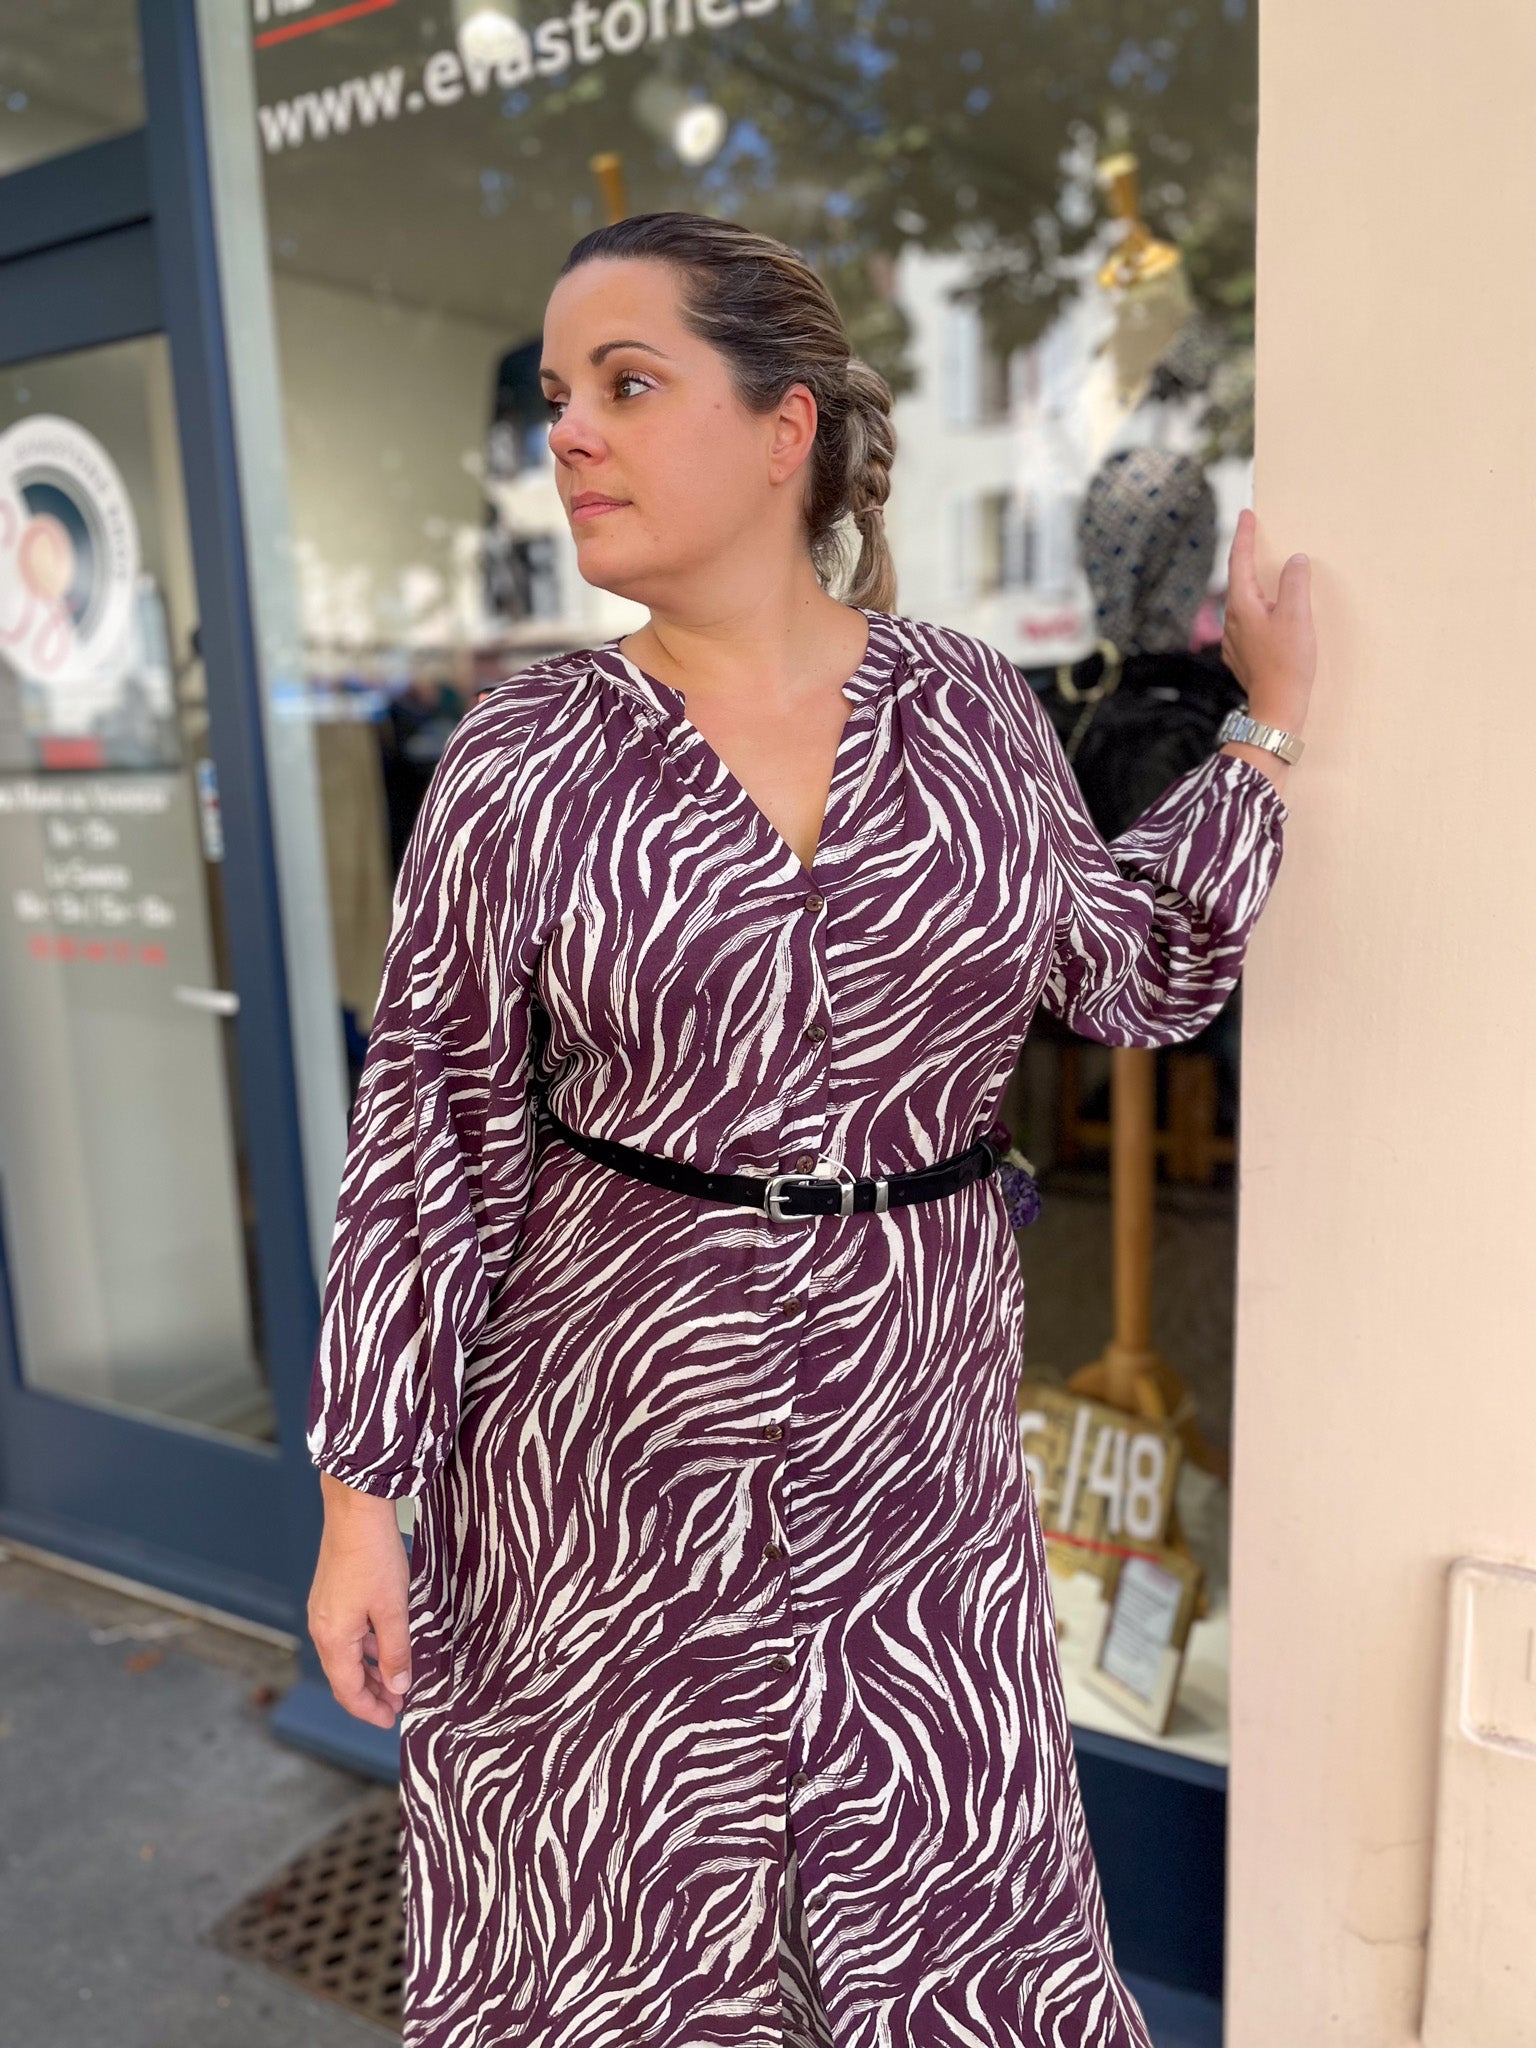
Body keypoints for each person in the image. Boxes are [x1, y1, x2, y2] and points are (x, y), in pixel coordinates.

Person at [304, 212, 1315, 2048]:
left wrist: (1263, 738)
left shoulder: (967, 710)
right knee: (624, 1926)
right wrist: (363, 1500)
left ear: (785, 431)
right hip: (606, 1474)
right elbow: (427, 1135)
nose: (570, 432)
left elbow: (1131, 970)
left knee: (940, 1919)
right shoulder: (523, 758)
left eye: (628, 384)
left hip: (915, 1454)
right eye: (558, 396)